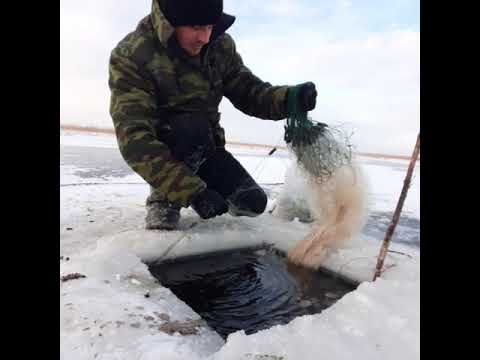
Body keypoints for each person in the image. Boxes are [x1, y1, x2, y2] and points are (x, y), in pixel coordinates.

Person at [108, 0, 317, 230]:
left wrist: (289, 99)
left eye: (209, 27)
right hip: (169, 148)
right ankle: (163, 199)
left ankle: (210, 183)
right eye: (197, 28)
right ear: (170, 22)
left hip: (209, 146)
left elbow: (248, 91)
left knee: (252, 204)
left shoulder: (219, 45)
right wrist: (193, 192)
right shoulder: (132, 55)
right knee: (189, 127)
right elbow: (135, 139)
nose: (205, 38)